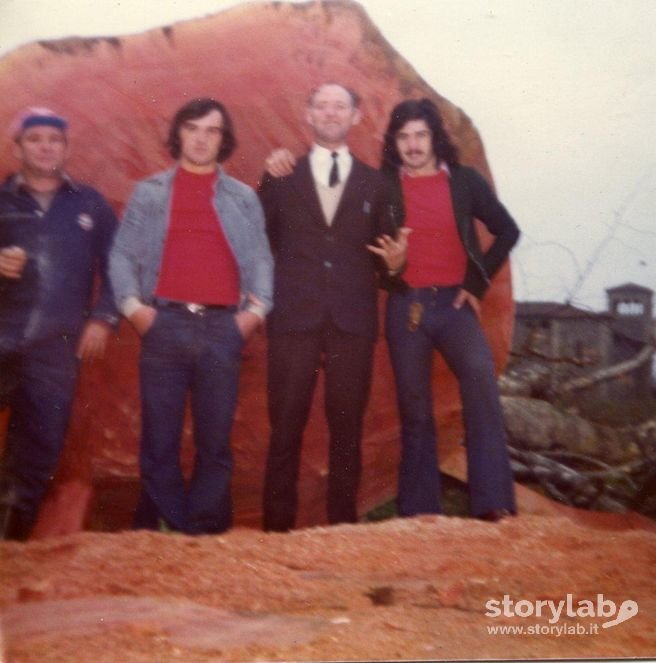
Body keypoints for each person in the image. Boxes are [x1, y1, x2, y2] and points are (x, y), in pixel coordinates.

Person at [109, 98, 273, 535]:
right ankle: (171, 527)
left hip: (223, 329)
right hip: (164, 325)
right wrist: (133, 310)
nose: (201, 138)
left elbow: (260, 260)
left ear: (224, 139)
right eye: (192, 128)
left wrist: (253, 314)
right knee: (159, 440)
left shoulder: (242, 198)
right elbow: (122, 255)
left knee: (215, 441)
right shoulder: (150, 193)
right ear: (179, 134)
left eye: (212, 130)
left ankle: (201, 531)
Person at [259, 83, 408, 532]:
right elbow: (258, 245)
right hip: (293, 317)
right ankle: (275, 531)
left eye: (339, 106)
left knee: (347, 430)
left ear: (355, 116)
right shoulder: (280, 175)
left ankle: (343, 527)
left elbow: (388, 264)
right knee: (285, 427)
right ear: (307, 114)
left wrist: (397, 267)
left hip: (351, 321)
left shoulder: (377, 184)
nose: (329, 113)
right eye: (320, 105)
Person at [380, 98, 520, 521]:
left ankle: (493, 504)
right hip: (407, 307)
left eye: (421, 135)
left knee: (481, 386)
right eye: (404, 137)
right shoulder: (383, 189)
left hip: (454, 306)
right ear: (395, 144)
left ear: (435, 139)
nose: (413, 145)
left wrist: (477, 283)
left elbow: (508, 230)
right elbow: (375, 259)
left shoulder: (463, 182)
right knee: (415, 409)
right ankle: (420, 514)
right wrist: (392, 266)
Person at [0, 107, 119, 541]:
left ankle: (8, 550)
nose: (45, 146)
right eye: (35, 139)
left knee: (36, 454)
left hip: (55, 350)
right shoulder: (1, 201)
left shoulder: (90, 204)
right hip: (3, 338)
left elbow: (118, 268)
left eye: (54, 139)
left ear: (66, 147)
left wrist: (104, 319)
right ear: (18, 147)